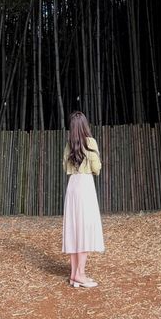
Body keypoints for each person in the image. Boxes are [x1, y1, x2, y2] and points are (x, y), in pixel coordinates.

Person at [62, 110, 104, 287]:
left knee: (74, 228)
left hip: (73, 186)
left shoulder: (69, 144)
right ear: (85, 125)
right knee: (85, 229)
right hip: (86, 185)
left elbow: (65, 166)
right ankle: (81, 274)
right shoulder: (91, 142)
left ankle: (74, 275)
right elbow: (97, 168)